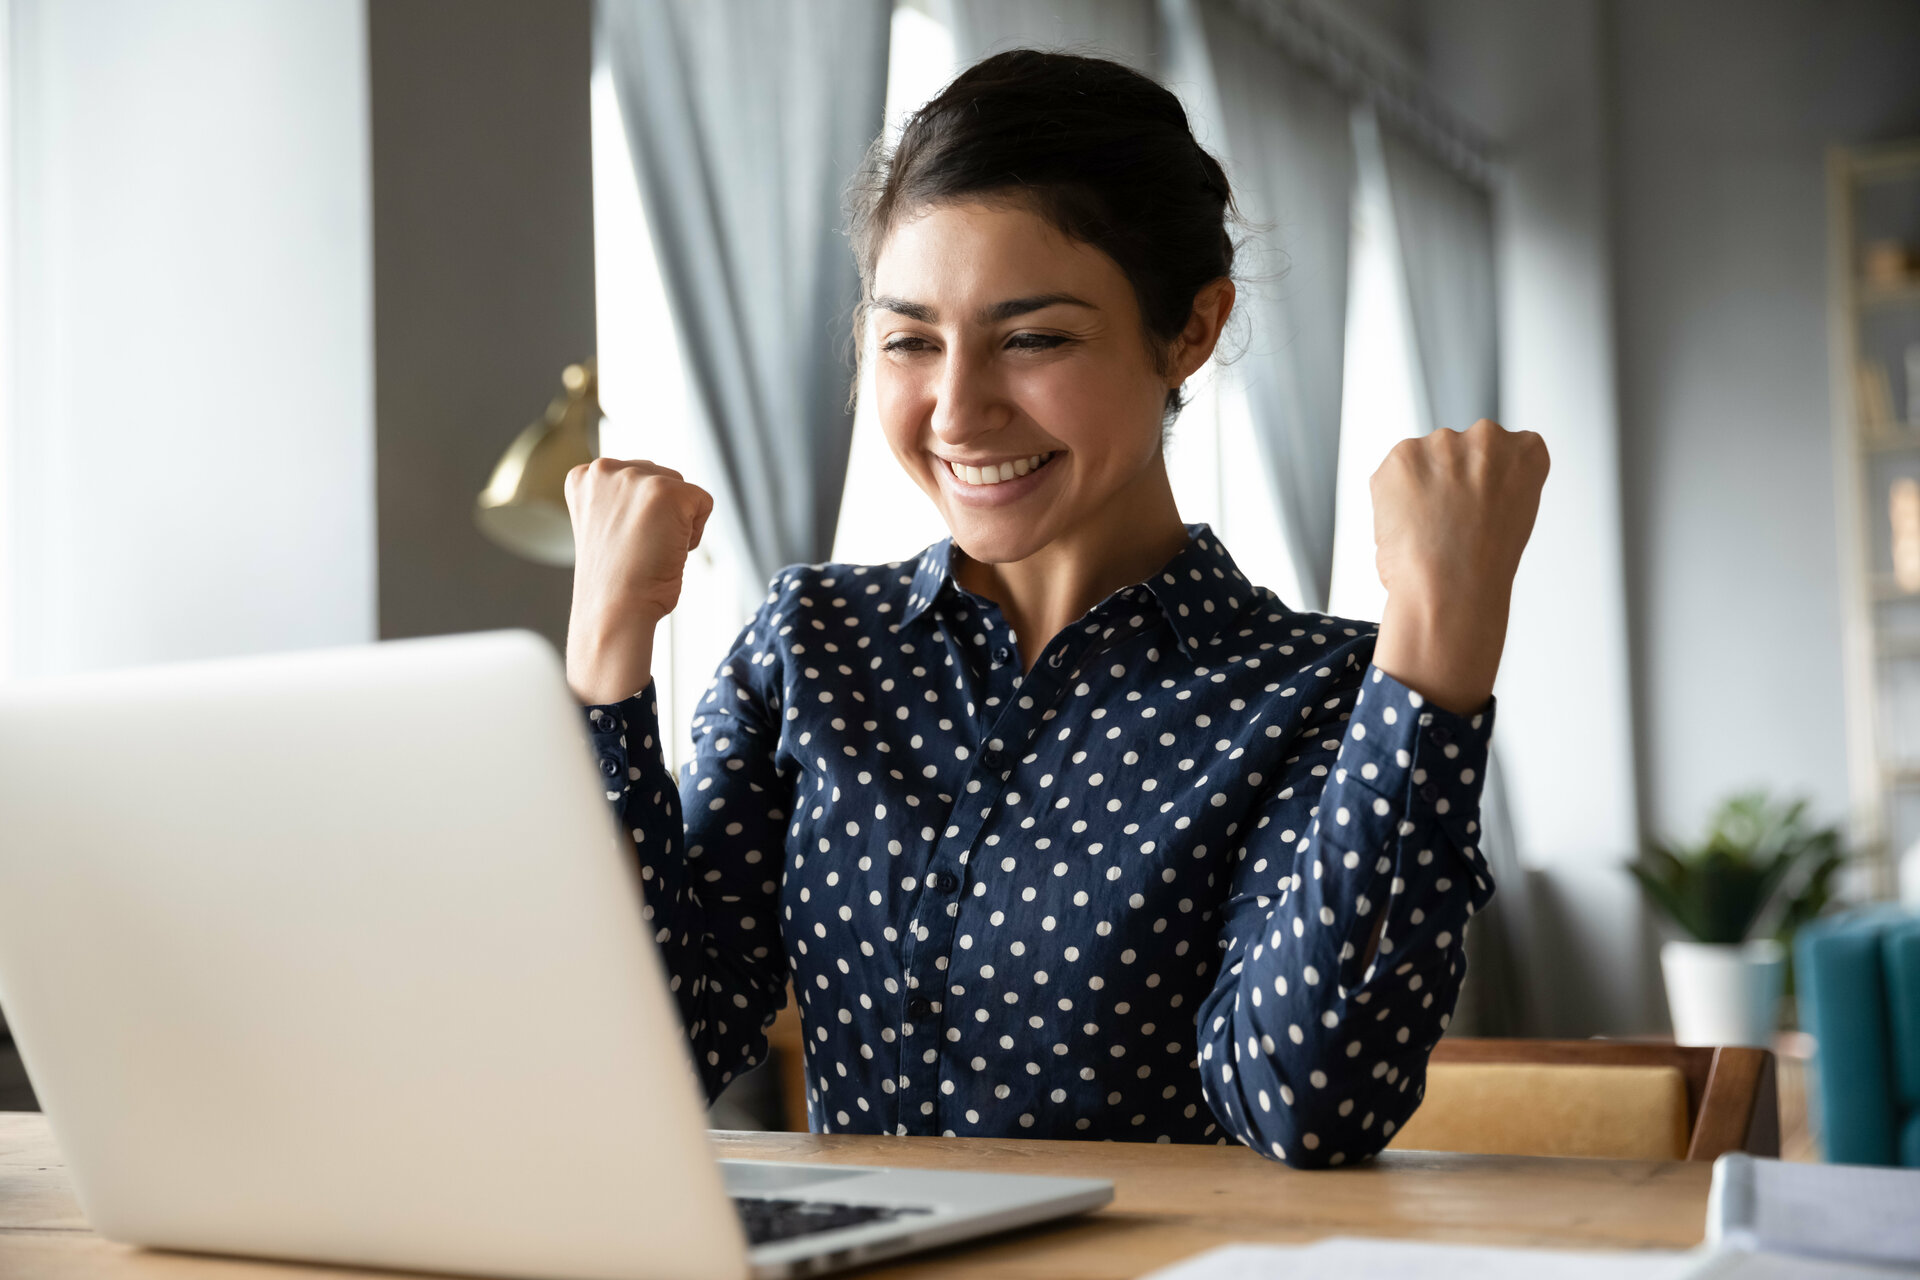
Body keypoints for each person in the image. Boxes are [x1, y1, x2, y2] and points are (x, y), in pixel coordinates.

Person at [564, 49, 1547, 1168]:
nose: (959, 407)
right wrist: (608, 648)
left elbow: (1306, 1106)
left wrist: (1440, 643)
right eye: (909, 339)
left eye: (1033, 338)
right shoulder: (813, 647)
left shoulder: (1319, 694)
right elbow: (651, 1052)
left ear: (1191, 329)